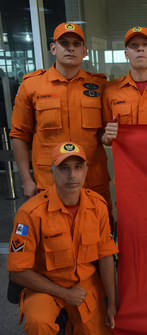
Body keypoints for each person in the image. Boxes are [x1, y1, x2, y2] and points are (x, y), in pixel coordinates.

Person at [7, 141, 118, 335]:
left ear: (86, 170)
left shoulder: (98, 206)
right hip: (44, 286)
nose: (72, 175)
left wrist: (112, 302)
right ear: (52, 173)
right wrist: (65, 294)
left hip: (86, 285)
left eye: (77, 167)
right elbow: (17, 272)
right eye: (64, 168)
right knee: (38, 325)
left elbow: (106, 255)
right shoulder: (30, 213)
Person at [9, 22, 115, 232]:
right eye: (64, 43)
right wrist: (26, 179)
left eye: (77, 44)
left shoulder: (101, 85)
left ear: (84, 52)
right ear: (53, 48)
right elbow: (19, 135)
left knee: (99, 236)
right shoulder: (32, 85)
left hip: (92, 180)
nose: (70, 48)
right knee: (53, 238)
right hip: (49, 181)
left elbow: (105, 130)